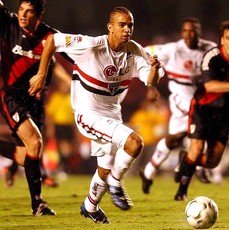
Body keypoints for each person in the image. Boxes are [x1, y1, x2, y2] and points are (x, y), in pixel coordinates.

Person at [28, 6, 164, 224]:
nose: (127, 29)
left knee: (104, 168)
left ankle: (90, 206)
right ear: (110, 27)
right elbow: (52, 40)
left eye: (130, 25)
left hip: (112, 113)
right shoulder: (91, 45)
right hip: (88, 114)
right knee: (134, 143)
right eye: (121, 24)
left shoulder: (135, 50)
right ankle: (116, 182)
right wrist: (42, 74)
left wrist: (155, 69)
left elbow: (151, 80)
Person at [174, 20, 229, 201]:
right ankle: (182, 191)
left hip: (225, 113)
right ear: (222, 40)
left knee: (212, 162)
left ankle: (186, 160)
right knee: (197, 149)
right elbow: (210, 86)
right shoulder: (212, 57)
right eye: (228, 38)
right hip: (202, 108)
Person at [0, 0, 71, 215]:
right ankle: (38, 203)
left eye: (29, 12)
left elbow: (80, 53)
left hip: (37, 101)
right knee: (34, 141)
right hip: (11, 95)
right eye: (21, 10)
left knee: (30, 151)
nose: (23, 15)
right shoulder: (8, 23)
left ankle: (14, 169)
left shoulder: (51, 37)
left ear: (39, 16)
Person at [138, 18, 216, 194]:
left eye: (193, 31)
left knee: (174, 138)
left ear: (199, 32)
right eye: (186, 31)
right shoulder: (172, 50)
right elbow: (143, 52)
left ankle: (149, 171)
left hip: (201, 95)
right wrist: (149, 82)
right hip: (181, 95)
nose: (189, 34)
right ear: (182, 33)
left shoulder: (210, 48)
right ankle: (197, 167)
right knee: (203, 119)